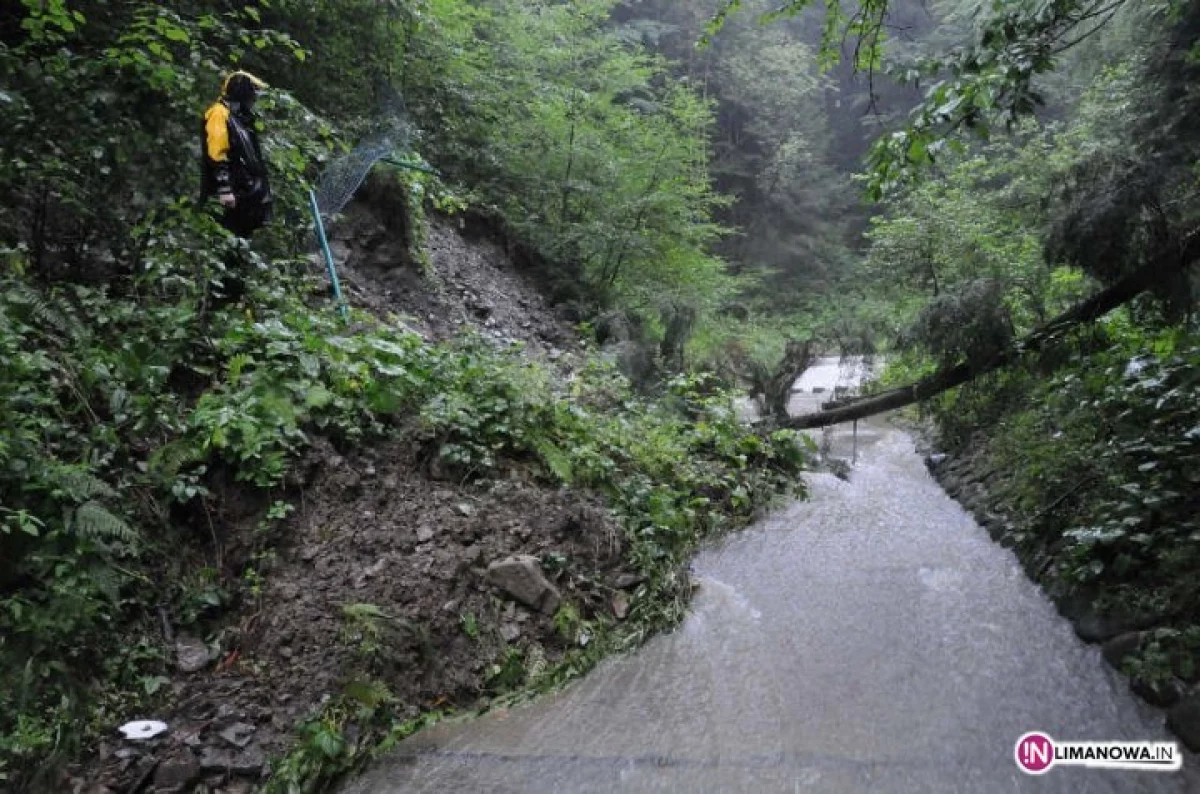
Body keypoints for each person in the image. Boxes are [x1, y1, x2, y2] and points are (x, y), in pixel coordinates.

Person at [201, 71, 273, 239]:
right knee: (225, 239)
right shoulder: (219, 113)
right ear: (243, 91)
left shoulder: (239, 118)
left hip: (243, 196)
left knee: (239, 243)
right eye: (253, 92)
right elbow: (216, 153)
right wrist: (224, 188)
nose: (254, 99)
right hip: (230, 196)